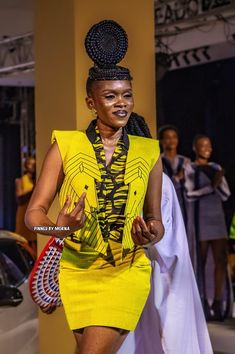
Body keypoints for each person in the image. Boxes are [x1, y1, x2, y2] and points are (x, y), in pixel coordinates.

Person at [25, 20, 164, 354]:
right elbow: (34, 215)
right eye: (110, 96)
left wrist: (151, 233)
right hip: (77, 269)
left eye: (127, 95)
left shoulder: (149, 151)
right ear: (91, 102)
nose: (122, 103)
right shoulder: (66, 145)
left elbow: (156, 221)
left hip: (126, 269)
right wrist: (56, 227)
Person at [185, 134, 231, 321]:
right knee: (201, 262)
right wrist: (211, 186)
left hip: (217, 218)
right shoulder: (191, 168)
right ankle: (202, 301)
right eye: (202, 146)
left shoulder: (216, 167)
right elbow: (189, 194)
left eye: (209, 146)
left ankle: (218, 301)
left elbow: (226, 194)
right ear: (195, 148)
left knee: (220, 259)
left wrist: (217, 183)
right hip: (200, 219)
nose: (207, 148)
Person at [158, 125, 190, 225]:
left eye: (174, 137)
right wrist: (177, 177)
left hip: (183, 201)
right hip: (164, 199)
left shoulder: (185, 161)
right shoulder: (158, 160)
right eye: (168, 137)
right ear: (161, 140)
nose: (171, 140)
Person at [15, 156, 37, 258]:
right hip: (23, 212)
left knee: (34, 240)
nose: (32, 167)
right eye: (30, 164)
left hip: (32, 211)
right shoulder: (20, 181)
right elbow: (19, 198)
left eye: (34, 164)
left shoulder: (36, 180)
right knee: (24, 241)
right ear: (25, 166)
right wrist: (32, 191)